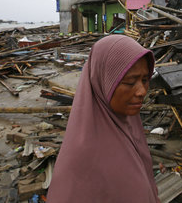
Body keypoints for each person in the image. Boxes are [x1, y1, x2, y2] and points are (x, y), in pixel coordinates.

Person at [47, 35, 160, 203]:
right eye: (130, 82)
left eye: (145, 80)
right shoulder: (83, 157)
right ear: (102, 82)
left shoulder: (129, 126)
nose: (142, 91)